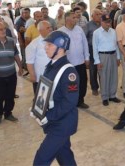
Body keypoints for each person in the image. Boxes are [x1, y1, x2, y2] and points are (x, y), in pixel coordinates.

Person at [32, 31, 79, 166]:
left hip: (62, 123)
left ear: (61, 48)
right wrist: (36, 107)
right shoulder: (52, 65)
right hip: (55, 121)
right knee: (64, 156)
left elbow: (69, 101)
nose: (46, 47)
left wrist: (49, 116)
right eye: (46, 44)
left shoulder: (69, 72)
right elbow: (45, 89)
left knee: (41, 159)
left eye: (50, 45)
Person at [0, 22, 23, 125]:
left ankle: (8, 113)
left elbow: (16, 55)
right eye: (0, 29)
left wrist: (20, 67)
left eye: (4, 29)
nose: (3, 31)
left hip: (11, 74)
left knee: (10, 96)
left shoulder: (11, 41)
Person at [59, 12, 90, 109]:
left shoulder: (79, 29)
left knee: (82, 82)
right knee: (70, 85)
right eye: (74, 18)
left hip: (80, 62)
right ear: (67, 19)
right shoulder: (61, 32)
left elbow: (85, 44)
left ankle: (80, 100)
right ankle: (70, 102)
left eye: (76, 18)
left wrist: (87, 58)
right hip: (68, 64)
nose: (76, 19)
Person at [92, 14, 121, 106]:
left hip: (113, 55)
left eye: (110, 22)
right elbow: (95, 48)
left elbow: (116, 45)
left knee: (114, 76)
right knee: (104, 77)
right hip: (103, 56)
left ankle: (112, 95)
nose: (109, 24)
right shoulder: (96, 33)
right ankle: (104, 97)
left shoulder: (113, 31)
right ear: (102, 22)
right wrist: (97, 61)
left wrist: (118, 57)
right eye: (106, 22)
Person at [26, 21, 52, 95]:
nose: (50, 29)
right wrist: (32, 75)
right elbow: (29, 62)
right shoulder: (34, 44)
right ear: (40, 31)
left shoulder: (54, 41)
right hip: (40, 77)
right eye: (48, 28)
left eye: (50, 27)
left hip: (53, 75)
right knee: (41, 98)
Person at [85, 9, 102, 96]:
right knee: (93, 70)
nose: (99, 16)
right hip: (92, 49)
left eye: (100, 14)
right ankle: (94, 88)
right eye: (97, 14)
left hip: (102, 50)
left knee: (101, 69)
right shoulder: (88, 25)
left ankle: (103, 87)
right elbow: (84, 38)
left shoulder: (103, 24)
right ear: (92, 16)